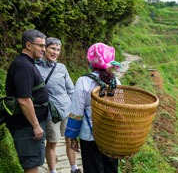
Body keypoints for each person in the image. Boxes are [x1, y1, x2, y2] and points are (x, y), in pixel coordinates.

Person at [65, 42, 121, 173]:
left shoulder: (83, 81)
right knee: (111, 169)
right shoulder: (116, 81)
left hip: (89, 135)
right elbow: (120, 109)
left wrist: (73, 137)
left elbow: (76, 112)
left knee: (93, 169)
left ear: (91, 60)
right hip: (110, 135)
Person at [5, 29, 49, 173]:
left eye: (44, 46)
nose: (44, 49)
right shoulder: (23, 66)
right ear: (28, 45)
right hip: (26, 126)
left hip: (28, 125)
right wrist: (36, 126)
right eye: (40, 46)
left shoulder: (27, 63)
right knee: (31, 164)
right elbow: (24, 99)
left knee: (34, 161)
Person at [35, 37, 81, 173]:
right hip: (50, 113)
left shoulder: (61, 67)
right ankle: (53, 171)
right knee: (52, 142)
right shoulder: (35, 67)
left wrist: (75, 110)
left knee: (70, 140)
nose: (55, 52)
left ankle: (74, 168)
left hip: (67, 109)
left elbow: (71, 90)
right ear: (45, 49)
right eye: (53, 48)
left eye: (58, 50)